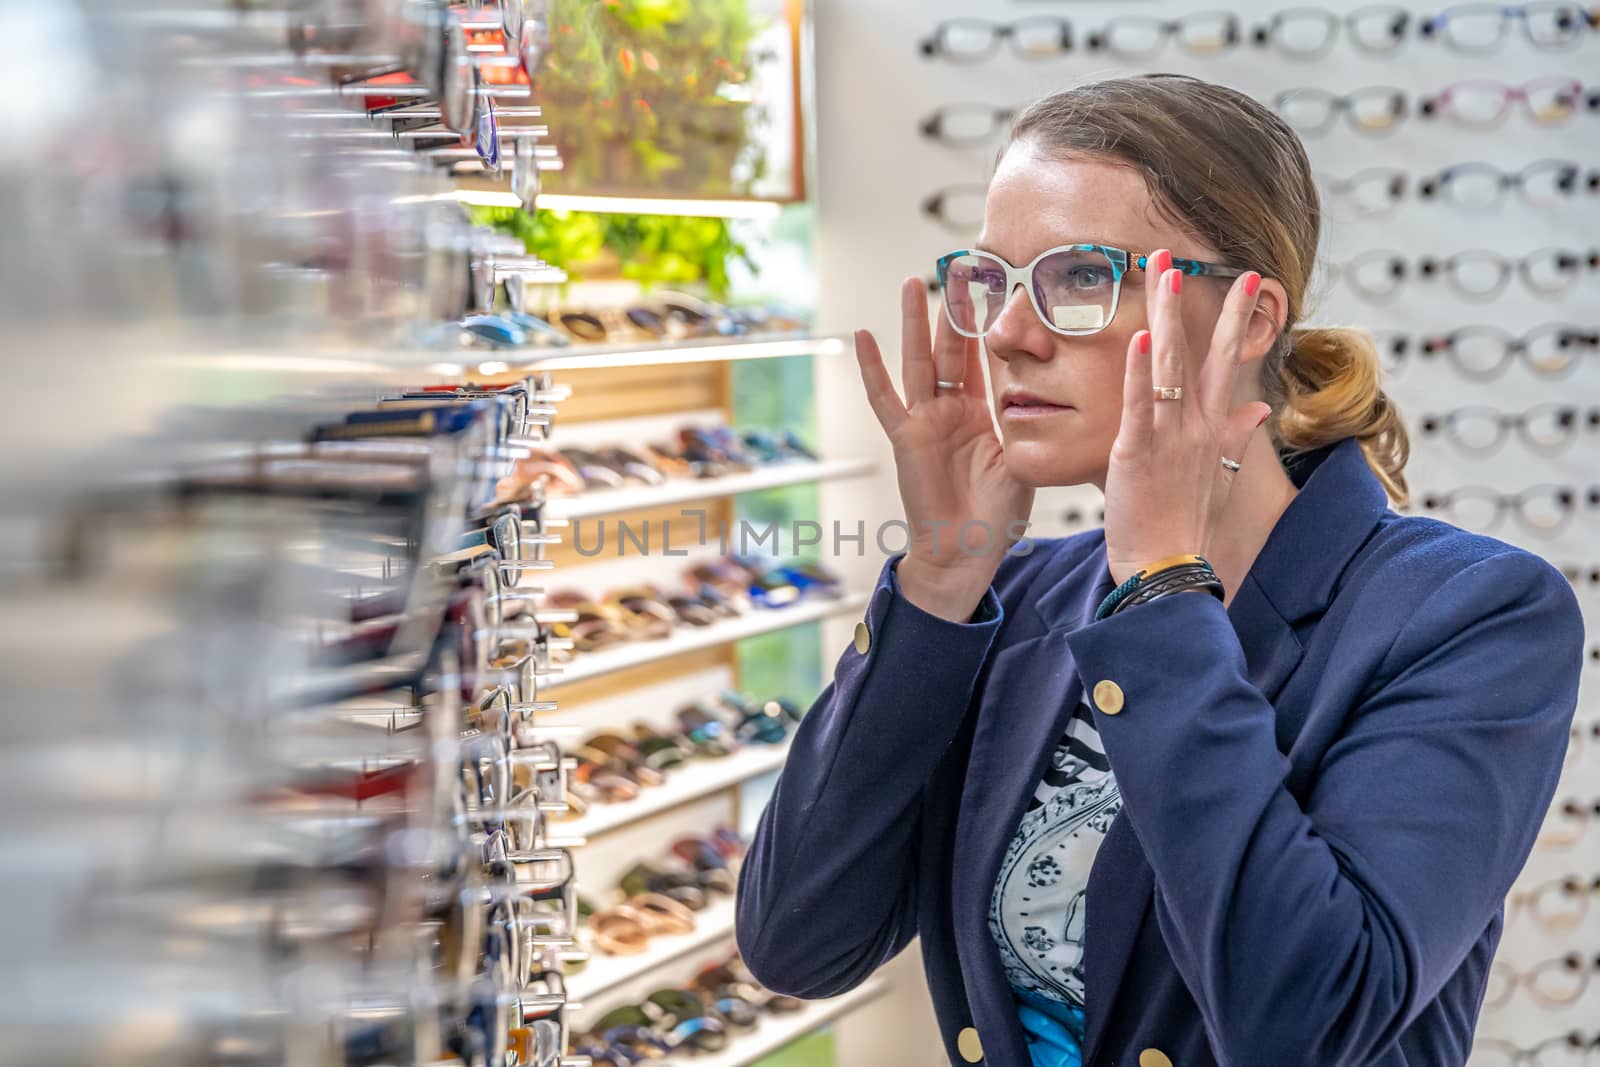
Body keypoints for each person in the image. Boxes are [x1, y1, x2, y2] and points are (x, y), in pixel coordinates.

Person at [733, 73, 1584, 1067]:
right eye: (995, 278)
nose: (1008, 331)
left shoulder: (1468, 613)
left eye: (1083, 276)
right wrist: (938, 578)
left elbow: (1304, 1023)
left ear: (1251, 321)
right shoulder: (1010, 603)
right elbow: (799, 938)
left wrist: (1158, 585)